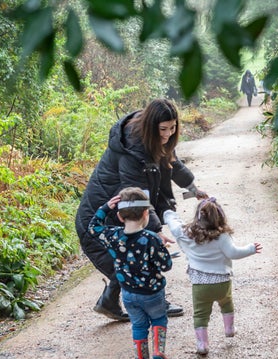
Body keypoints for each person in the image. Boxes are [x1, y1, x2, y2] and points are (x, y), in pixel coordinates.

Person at [75, 98, 208, 322]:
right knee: (137, 261)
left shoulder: (155, 140)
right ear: (151, 127)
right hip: (98, 218)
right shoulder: (132, 151)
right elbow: (138, 194)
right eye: (163, 129)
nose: (167, 135)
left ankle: (108, 303)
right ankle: (155, 305)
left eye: (172, 128)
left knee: (129, 261)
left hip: (122, 213)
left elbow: (171, 163)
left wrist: (193, 188)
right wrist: (155, 230)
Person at [88, 188, 173, 359]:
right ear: (145, 214)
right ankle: (158, 350)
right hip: (152, 293)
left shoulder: (114, 236)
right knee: (159, 318)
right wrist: (162, 249)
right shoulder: (151, 239)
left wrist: (105, 208)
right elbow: (166, 265)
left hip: (128, 294)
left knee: (139, 325)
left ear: (119, 216)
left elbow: (93, 228)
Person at [163, 197, 262, 355]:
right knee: (227, 303)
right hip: (222, 282)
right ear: (220, 217)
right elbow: (233, 253)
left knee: (201, 314)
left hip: (200, 285)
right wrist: (251, 249)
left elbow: (174, 226)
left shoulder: (188, 233)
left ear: (198, 217)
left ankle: (202, 344)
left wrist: (169, 214)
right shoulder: (222, 236)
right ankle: (229, 329)